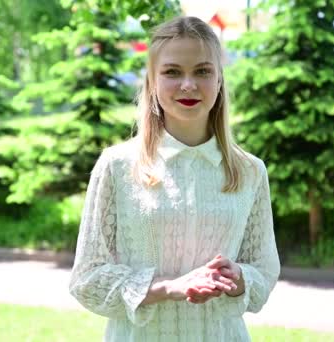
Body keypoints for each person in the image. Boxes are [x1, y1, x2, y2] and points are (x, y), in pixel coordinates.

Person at [69, 16, 280, 342]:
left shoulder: (250, 171)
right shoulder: (117, 166)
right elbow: (86, 279)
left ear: (220, 79)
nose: (188, 84)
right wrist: (169, 287)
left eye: (202, 71)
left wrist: (241, 279)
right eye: (172, 72)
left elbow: (264, 271)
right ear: (152, 82)